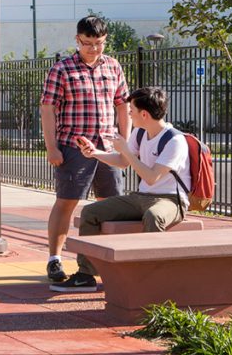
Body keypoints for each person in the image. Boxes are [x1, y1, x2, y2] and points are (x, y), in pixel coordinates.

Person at [52, 87, 189, 292]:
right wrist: (94, 153)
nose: (129, 113)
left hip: (170, 200)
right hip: (142, 196)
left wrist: (125, 150)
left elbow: (151, 177)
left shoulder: (174, 140)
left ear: (144, 114)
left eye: (131, 109)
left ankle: (152, 278)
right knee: (91, 212)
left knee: (154, 216)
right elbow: (122, 162)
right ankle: (86, 275)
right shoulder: (140, 133)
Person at [40, 16, 130, 284]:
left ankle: (108, 259)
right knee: (67, 202)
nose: (93, 49)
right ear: (77, 40)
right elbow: (47, 108)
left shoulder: (113, 67)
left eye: (99, 43)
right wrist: (52, 147)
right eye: (87, 43)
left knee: (111, 204)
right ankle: (54, 260)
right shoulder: (62, 69)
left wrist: (125, 142)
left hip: (107, 147)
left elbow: (123, 105)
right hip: (73, 146)